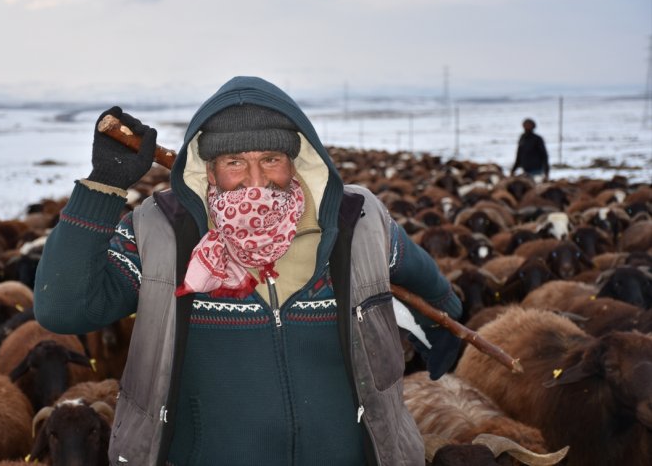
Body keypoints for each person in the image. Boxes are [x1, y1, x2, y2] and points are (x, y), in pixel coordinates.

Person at [34, 76, 463, 466]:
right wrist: (104, 183)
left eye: (272, 158)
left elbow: (432, 287)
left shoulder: (359, 222)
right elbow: (63, 307)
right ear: (209, 169)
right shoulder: (160, 231)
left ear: (297, 160)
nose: (256, 181)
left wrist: (441, 325)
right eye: (234, 162)